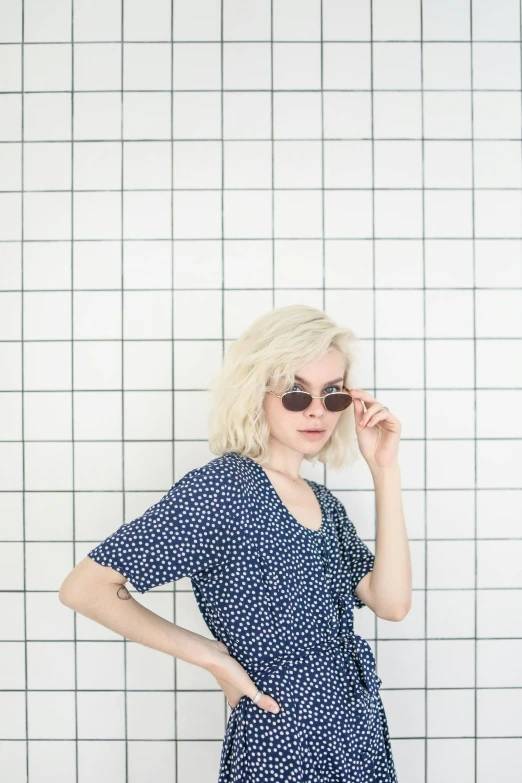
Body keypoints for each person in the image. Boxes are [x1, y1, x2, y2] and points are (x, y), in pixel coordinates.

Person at [59, 303, 411, 782]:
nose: (315, 410)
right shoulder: (224, 488)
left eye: (332, 395)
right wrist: (213, 659)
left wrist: (384, 469)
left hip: (358, 729)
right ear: (256, 394)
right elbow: (85, 587)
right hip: (283, 735)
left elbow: (390, 603)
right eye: (294, 393)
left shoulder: (325, 503)